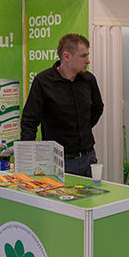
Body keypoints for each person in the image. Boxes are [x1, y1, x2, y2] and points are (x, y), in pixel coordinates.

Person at [21, 34, 104, 176]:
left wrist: (83, 128)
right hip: (58, 161)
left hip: (88, 158)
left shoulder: (88, 80)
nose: (88, 61)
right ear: (66, 56)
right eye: (83, 56)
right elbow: (29, 121)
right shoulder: (43, 81)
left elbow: (98, 108)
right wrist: (27, 158)